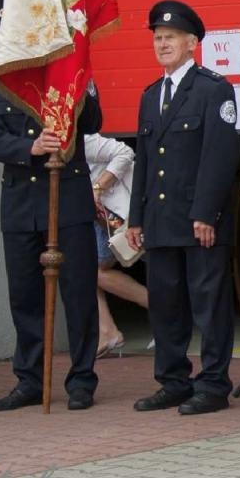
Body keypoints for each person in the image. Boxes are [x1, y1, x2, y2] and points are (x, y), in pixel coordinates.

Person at [127, 0, 240, 415]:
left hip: (198, 222)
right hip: (160, 221)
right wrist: (135, 217)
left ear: (192, 43)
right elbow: (144, 160)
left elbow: (220, 156)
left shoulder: (214, 89)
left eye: (170, 38)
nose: (162, 44)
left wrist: (205, 214)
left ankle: (213, 384)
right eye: (157, 38)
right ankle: (172, 380)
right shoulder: (150, 94)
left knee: (208, 305)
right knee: (166, 306)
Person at [0, 41, 104, 411]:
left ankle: (81, 380)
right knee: (24, 297)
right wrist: (30, 146)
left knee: (79, 295)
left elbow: (96, 122)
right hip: (20, 204)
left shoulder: (67, 73)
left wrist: (82, 84)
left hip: (67, 200)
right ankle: (29, 379)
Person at [83, 130, 147, 355]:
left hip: (119, 213)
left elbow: (125, 152)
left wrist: (98, 187)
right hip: (97, 218)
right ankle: (107, 331)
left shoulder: (80, 139)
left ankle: (160, 306)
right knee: (83, 269)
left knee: (89, 270)